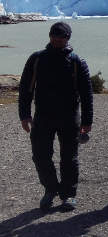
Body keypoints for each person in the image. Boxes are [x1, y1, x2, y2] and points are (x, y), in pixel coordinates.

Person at [18, 22, 94, 211]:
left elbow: (86, 94)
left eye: (61, 36)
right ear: (49, 36)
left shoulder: (77, 62)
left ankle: (68, 194)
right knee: (40, 156)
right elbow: (26, 89)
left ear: (68, 38)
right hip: (42, 117)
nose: (57, 39)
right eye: (54, 35)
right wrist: (24, 115)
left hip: (69, 118)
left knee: (69, 158)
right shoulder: (37, 59)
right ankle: (51, 189)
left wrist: (87, 121)